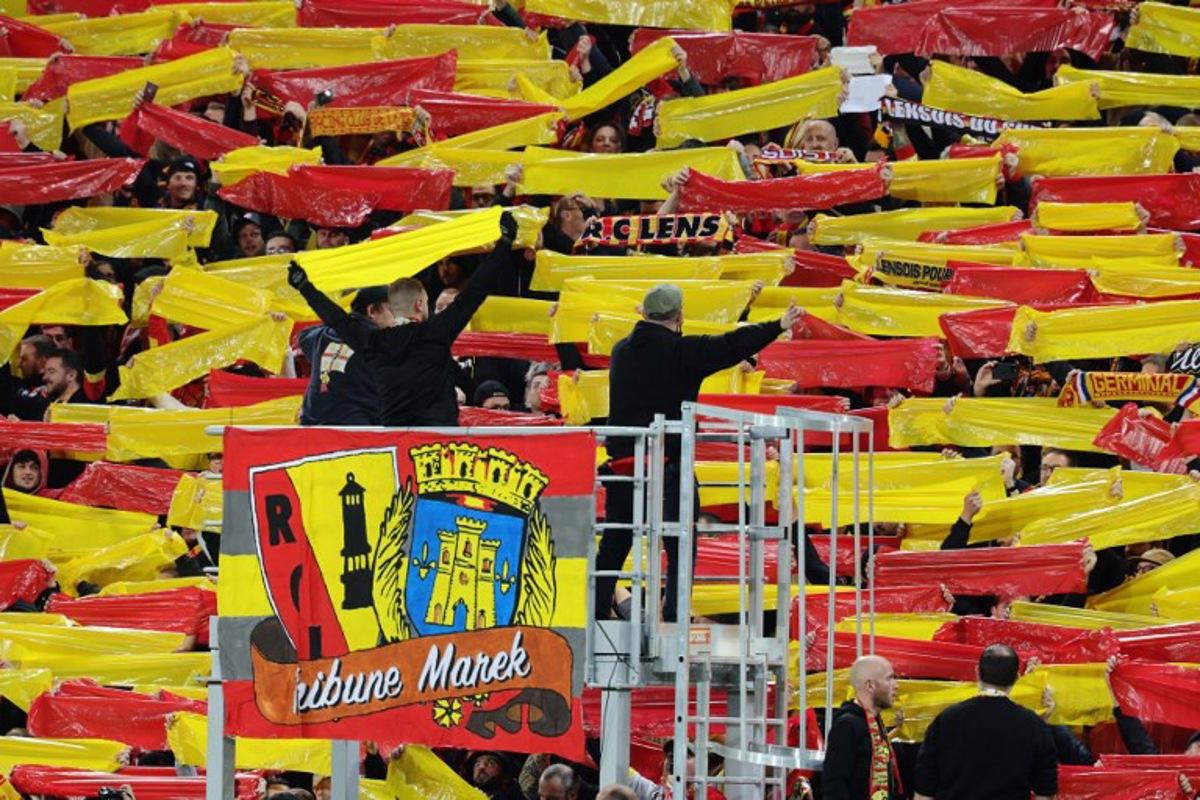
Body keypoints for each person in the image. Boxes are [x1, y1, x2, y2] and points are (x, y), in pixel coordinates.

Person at [595, 283, 801, 621]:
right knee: (679, 544)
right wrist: (778, 325)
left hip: (624, 466)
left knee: (615, 543)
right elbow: (730, 345)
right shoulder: (680, 352)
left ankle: (598, 611)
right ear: (679, 316)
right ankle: (675, 614)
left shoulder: (620, 351)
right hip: (668, 463)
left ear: (643, 314)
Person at [287, 211, 518, 426]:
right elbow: (475, 292)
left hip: (395, 442)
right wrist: (504, 245)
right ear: (419, 304)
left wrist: (304, 286)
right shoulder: (436, 333)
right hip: (438, 441)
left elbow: (336, 318)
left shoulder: (374, 342)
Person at [914, 644, 1058, 800]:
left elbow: (923, 793)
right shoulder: (1034, 727)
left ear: (977, 672)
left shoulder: (946, 720)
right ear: (1017, 678)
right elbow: (1045, 793)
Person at [297, 285, 393, 426]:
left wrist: (341, 320)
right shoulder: (382, 342)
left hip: (311, 429)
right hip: (357, 432)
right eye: (393, 310)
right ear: (372, 311)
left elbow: (303, 337)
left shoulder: (321, 335)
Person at [821, 655, 901, 800]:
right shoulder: (847, 725)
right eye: (889, 679)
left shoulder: (876, 723)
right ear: (870, 686)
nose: (896, 685)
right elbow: (834, 784)